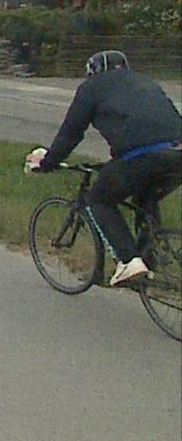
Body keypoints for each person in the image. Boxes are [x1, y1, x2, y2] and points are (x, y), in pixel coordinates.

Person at [27, 50, 182, 286]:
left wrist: (48, 162)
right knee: (145, 195)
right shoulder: (144, 81)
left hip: (144, 155)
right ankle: (148, 259)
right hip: (177, 153)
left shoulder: (91, 87)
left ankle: (129, 261)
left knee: (98, 200)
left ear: (93, 72)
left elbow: (71, 133)